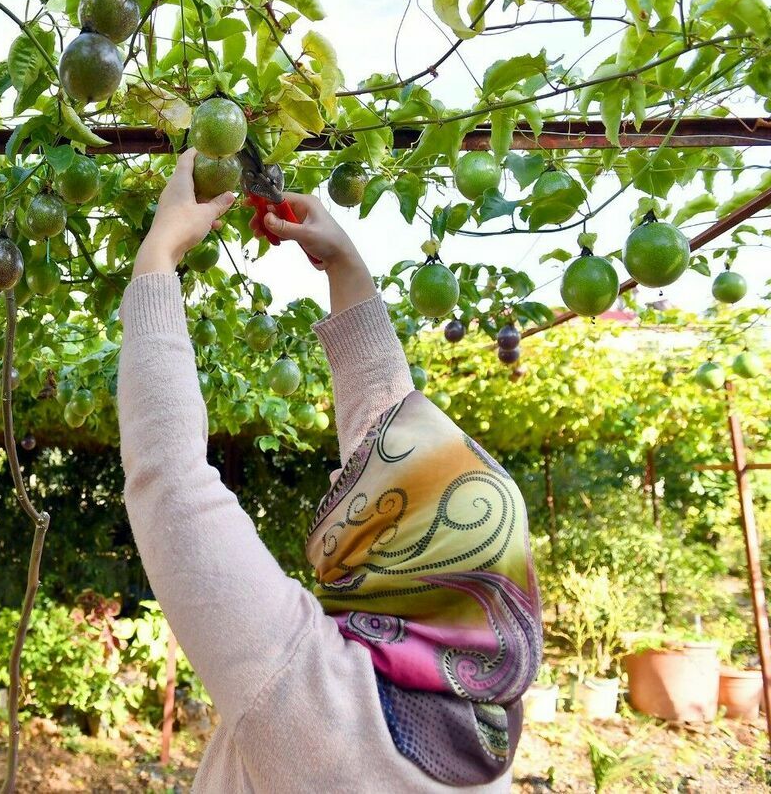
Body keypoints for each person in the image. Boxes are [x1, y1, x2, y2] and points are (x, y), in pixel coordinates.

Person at [116, 149, 542, 792]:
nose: (353, 481)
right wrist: (343, 264)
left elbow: (171, 483)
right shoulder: (479, 706)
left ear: (405, 562)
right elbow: (386, 428)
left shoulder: (310, 693)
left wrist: (158, 254)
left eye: (376, 496)